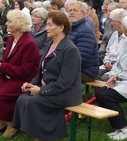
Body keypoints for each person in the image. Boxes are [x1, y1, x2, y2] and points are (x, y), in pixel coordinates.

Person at [12, 10, 82, 140]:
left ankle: (43, 136)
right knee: (22, 98)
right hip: (52, 89)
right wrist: (31, 83)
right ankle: (40, 134)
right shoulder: (51, 44)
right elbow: (40, 71)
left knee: (31, 102)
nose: (46, 28)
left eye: (50, 25)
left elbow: (65, 83)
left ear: (61, 27)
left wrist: (41, 90)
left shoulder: (70, 50)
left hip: (66, 94)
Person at [0, 9, 40, 137]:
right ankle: (1, 121)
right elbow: (7, 60)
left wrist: (3, 66)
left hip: (23, 80)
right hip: (10, 76)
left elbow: (25, 70)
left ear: (18, 25)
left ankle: (12, 125)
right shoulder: (12, 39)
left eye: (9, 21)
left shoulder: (29, 43)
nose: (6, 24)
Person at [66, 0, 99, 82]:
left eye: (75, 10)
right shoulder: (70, 28)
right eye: (70, 10)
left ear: (84, 14)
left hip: (86, 71)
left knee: (56, 75)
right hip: (72, 67)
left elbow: (81, 58)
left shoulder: (85, 31)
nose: (71, 12)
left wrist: (61, 65)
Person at [97, 9, 127, 81]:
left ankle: (105, 92)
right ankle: (98, 92)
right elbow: (108, 51)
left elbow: (126, 58)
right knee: (95, 73)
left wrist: (114, 66)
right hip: (108, 65)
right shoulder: (114, 34)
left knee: (105, 78)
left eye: (113, 21)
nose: (111, 23)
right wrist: (106, 62)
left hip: (121, 69)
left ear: (120, 23)